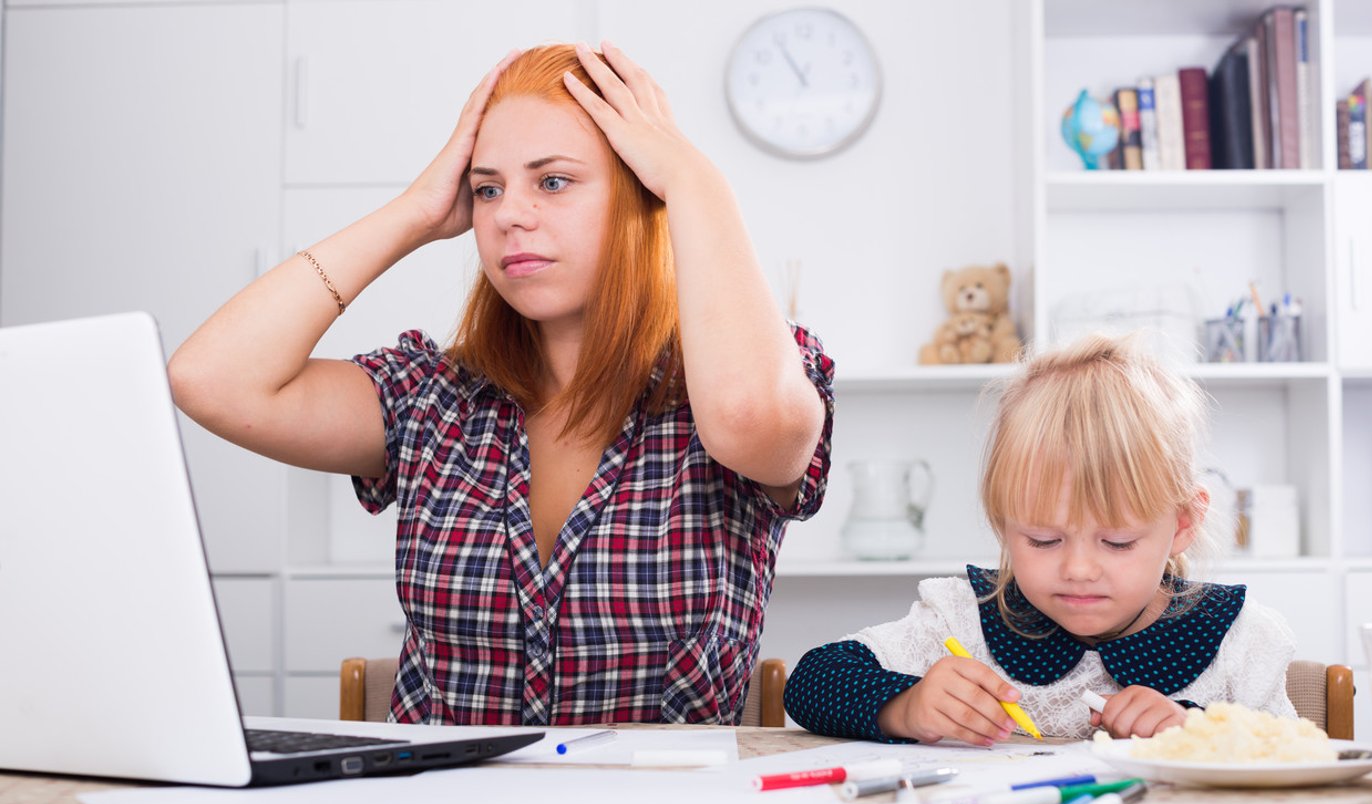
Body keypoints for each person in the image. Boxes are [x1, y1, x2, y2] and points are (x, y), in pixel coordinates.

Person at [168, 43, 833, 727]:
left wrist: (696, 182)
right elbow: (211, 380)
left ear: (642, 192)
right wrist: (415, 213)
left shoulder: (754, 375)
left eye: (552, 182)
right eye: (488, 189)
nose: (508, 214)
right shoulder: (429, 397)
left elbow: (752, 416)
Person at [783, 332, 1297, 744]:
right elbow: (813, 680)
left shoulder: (1240, 643)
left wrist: (1200, 735)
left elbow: (1292, 753)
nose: (1077, 569)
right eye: (1044, 540)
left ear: (1183, 523)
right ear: (1004, 523)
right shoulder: (961, 618)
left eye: (1117, 542)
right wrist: (906, 706)